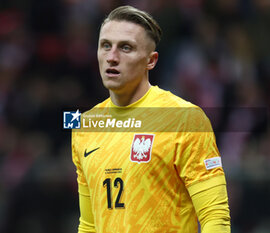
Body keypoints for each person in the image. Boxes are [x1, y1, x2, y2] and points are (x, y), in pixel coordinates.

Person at [71, 5, 231, 233]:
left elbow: (215, 217)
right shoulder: (87, 125)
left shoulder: (185, 119)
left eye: (126, 48)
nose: (112, 57)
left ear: (151, 60)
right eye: (105, 46)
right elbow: (88, 225)